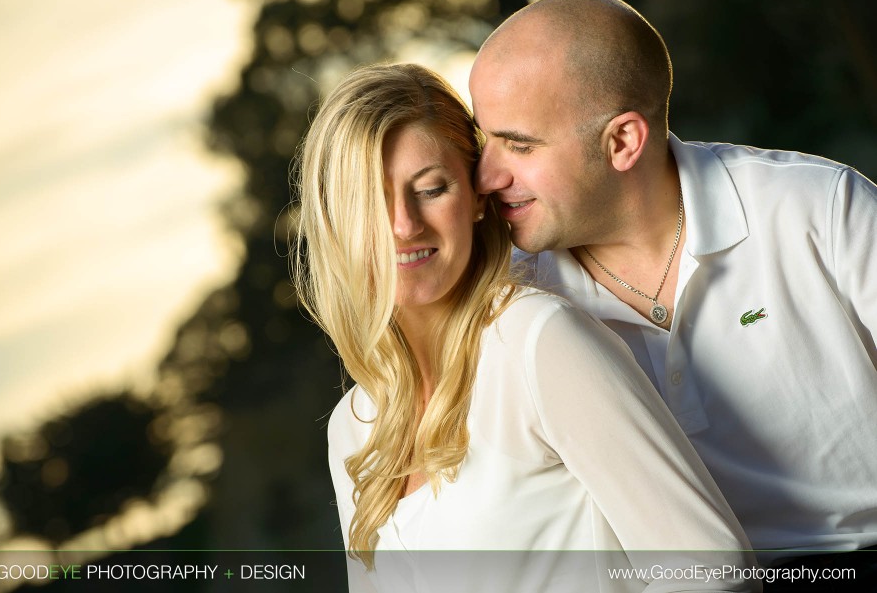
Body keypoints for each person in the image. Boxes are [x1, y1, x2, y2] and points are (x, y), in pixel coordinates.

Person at [292, 62, 758, 592]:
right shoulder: (352, 427)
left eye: (431, 189)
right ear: (334, 219)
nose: (403, 225)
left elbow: (712, 569)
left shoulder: (539, 342)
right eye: (370, 199)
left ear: (474, 198)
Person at [468, 0, 877, 590]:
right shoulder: (515, 295)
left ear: (623, 142)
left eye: (519, 145)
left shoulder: (820, 210)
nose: (485, 175)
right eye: (485, 138)